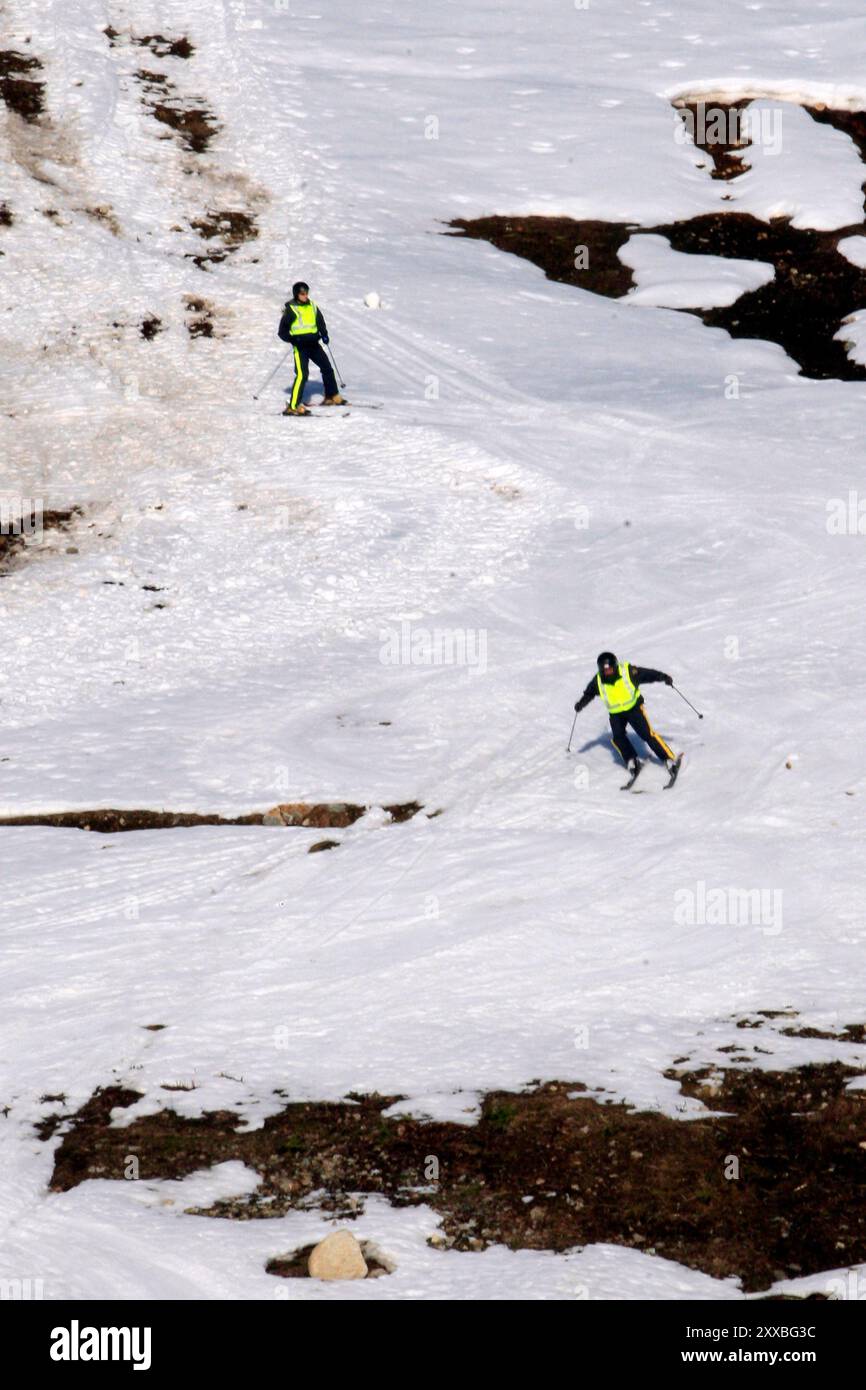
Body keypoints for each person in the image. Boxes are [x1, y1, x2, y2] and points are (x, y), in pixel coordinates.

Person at [574, 651, 678, 779]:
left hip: (634, 709)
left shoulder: (627, 672)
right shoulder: (598, 680)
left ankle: (668, 759)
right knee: (618, 738)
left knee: (647, 735)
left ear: (615, 666)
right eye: (605, 671)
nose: (608, 672)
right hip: (616, 714)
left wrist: (663, 677)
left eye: (610, 669)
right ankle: (631, 760)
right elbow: (589, 694)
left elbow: (647, 674)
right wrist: (581, 704)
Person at [277, 282, 345, 414]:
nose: (305, 296)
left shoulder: (312, 305)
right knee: (302, 375)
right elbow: (282, 332)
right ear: (297, 294)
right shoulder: (291, 309)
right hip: (301, 347)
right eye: (302, 293)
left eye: (307, 293)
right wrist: (293, 339)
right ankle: (293, 406)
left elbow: (320, 321)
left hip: (314, 344)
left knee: (327, 368)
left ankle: (332, 396)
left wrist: (324, 334)